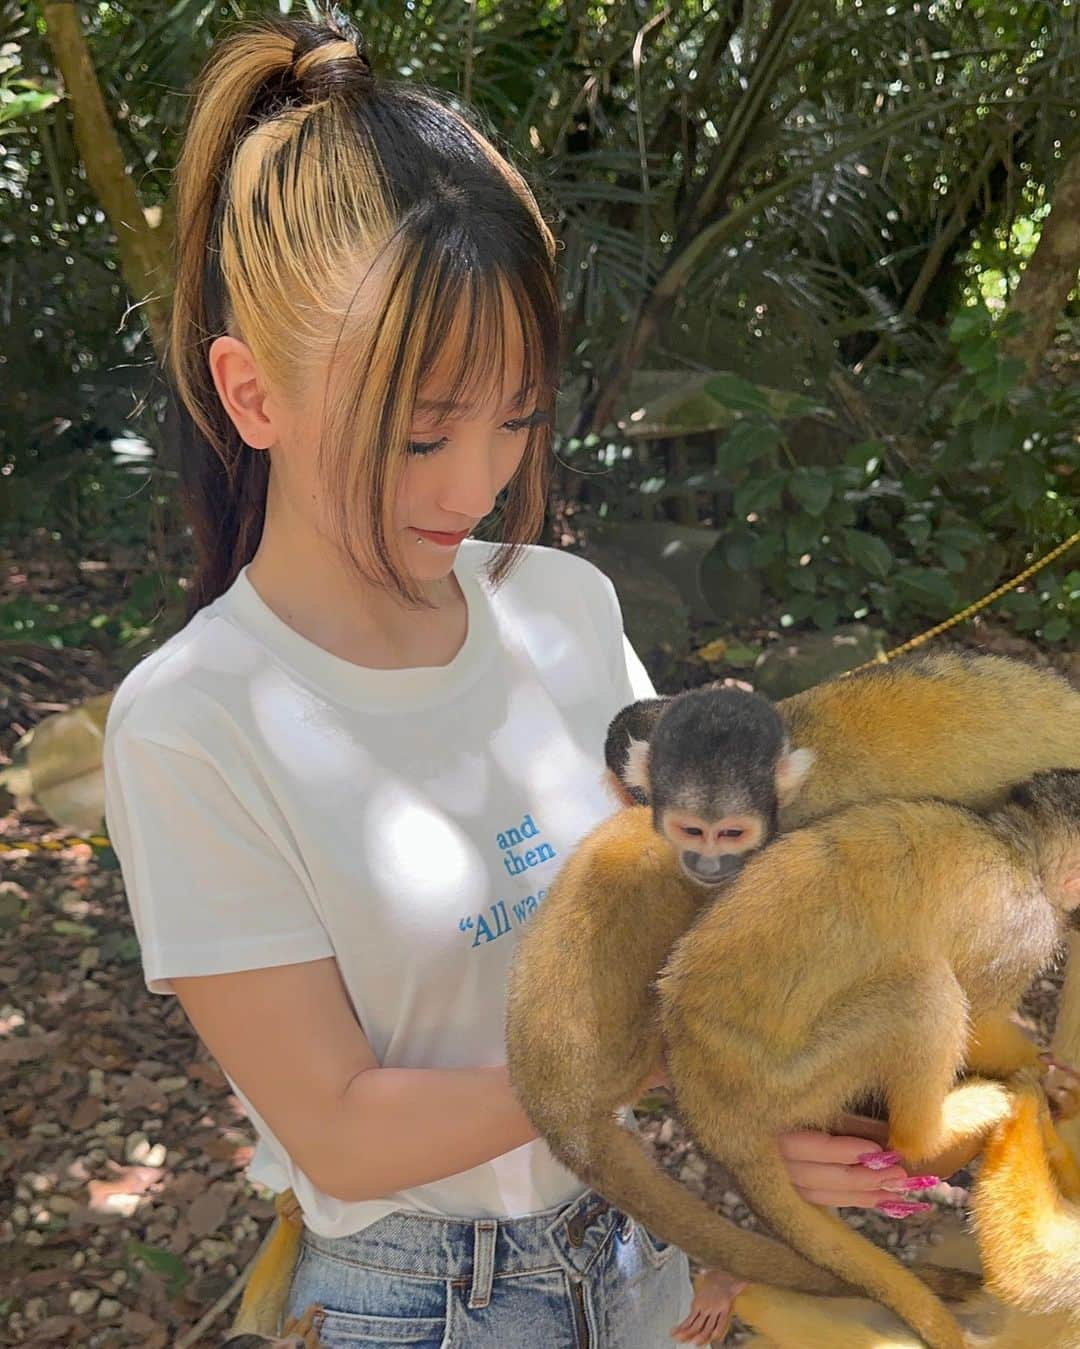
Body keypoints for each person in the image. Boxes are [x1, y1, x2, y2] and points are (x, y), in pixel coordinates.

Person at [102, 11, 935, 1347]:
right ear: (253, 398)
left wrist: (779, 1102)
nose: (479, 480)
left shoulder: (562, 609)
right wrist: (680, 1065)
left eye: (517, 418)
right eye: (423, 430)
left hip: (637, 1245)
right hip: (425, 1304)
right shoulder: (193, 725)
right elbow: (346, 1130)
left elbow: (677, 923)